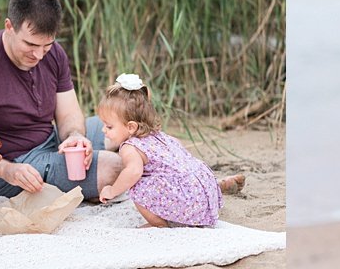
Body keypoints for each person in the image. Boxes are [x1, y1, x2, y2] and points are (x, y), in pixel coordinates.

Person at [0, 0, 121, 201]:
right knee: (113, 168)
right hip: (9, 166)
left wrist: (75, 136)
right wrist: (5, 169)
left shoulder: (53, 52)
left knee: (127, 132)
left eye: (45, 46)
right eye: (30, 45)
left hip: (50, 140)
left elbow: (68, 114)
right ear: (9, 27)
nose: (38, 55)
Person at [95, 74, 245, 227]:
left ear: (131, 127)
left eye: (109, 126)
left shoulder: (130, 147)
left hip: (188, 199)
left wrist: (112, 190)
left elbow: (133, 172)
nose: (103, 130)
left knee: (135, 185)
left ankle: (159, 224)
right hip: (204, 188)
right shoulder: (158, 136)